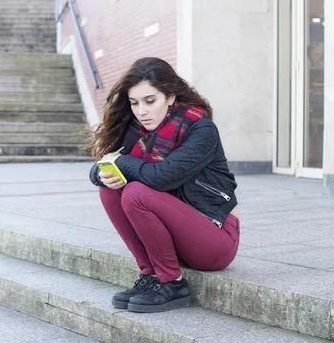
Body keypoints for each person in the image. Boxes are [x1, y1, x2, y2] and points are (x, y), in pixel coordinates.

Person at [88, 57, 240, 313]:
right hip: (176, 236)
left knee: (136, 192)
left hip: (216, 239)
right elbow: (107, 163)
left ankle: (172, 284)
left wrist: (123, 164)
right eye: (134, 103)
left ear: (170, 97)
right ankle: (150, 276)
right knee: (110, 190)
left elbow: (162, 177)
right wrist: (102, 174)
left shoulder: (201, 130)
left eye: (150, 101)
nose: (141, 111)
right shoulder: (140, 132)